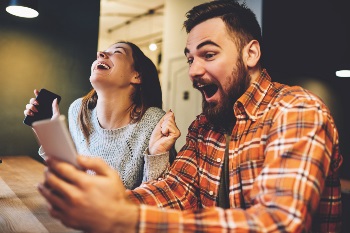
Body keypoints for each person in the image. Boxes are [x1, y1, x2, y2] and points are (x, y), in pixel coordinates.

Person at [38, 1, 343, 232]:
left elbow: (277, 222)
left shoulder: (296, 110)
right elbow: (175, 188)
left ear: (250, 54)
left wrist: (122, 216)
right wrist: (110, 203)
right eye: (190, 59)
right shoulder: (203, 126)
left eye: (208, 55)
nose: (194, 71)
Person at [25, 41, 179, 189]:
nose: (100, 54)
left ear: (136, 76)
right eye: (102, 53)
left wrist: (157, 155)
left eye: (117, 52)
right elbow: (69, 175)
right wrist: (50, 133)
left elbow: (157, 193)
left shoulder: (153, 121)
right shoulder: (78, 110)